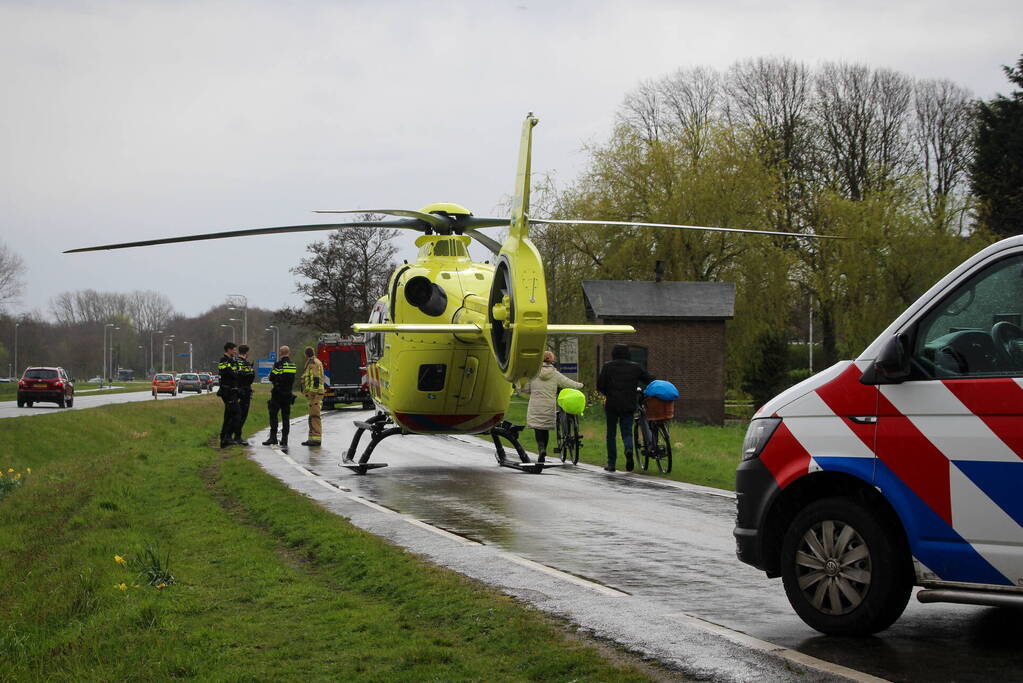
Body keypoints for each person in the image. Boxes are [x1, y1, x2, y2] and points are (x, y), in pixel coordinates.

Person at [597, 344, 654, 472]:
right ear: (628, 354)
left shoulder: (607, 366)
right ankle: (628, 450)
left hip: (612, 404)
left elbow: (600, 385)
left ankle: (611, 463)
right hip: (628, 404)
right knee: (627, 432)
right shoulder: (635, 367)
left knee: (611, 434)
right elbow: (649, 379)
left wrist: (608, 393)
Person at [520, 350, 582, 462]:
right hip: (549, 405)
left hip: (536, 405)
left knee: (538, 428)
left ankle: (541, 448)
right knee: (545, 429)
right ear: (552, 360)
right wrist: (580, 385)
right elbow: (567, 382)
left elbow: (526, 389)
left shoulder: (533, 373)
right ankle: (544, 450)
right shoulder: (555, 373)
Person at [262, 345, 297, 452]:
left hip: (277, 394)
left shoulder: (278, 364)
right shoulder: (292, 365)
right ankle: (284, 439)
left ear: (280, 353)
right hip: (288, 394)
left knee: (273, 415)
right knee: (286, 417)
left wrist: (273, 378)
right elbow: (291, 379)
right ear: (289, 353)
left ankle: (273, 438)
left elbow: (272, 377)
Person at [217, 341, 241, 448]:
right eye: (234, 349)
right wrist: (235, 373)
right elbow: (229, 373)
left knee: (229, 414)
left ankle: (225, 438)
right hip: (227, 391)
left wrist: (235, 373)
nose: (235, 351)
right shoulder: (223, 360)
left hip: (232, 391)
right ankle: (227, 437)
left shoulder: (232, 361)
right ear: (229, 349)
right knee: (235, 413)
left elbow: (237, 374)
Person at [301, 346, 326, 447]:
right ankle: (312, 438)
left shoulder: (313, 363)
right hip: (315, 394)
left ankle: (316, 439)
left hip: (315, 394)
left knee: (315, 416)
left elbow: (315, 379)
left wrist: (312, 393)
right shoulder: (315, 362)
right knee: (312, 416)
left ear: (306, 354)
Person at [232, 344, 256, 444]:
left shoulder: (234, 362)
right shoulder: (246, 364)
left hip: (235, 390)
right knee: (242, 414)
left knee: (235, 414)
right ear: (247, 353)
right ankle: (238, 436)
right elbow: (251, 377)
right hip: (245, 391)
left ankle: (232, 435)